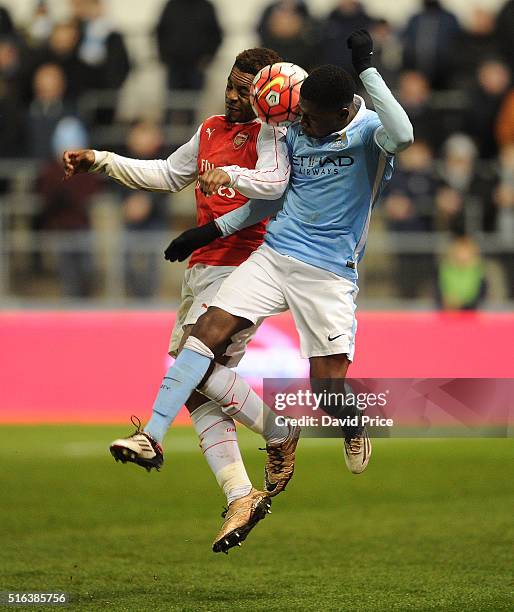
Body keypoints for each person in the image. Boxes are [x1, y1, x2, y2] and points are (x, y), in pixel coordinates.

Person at [110, 30, 414, 552]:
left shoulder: (369, 133)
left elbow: (405, 132)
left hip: (329, 273)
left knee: (328, 391)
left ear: (343, 111)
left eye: (314, 119)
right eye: (301, 117)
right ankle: (151, 435)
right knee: (205, 334)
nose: (305, 126)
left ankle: (351, 421)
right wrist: (212, 230)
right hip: (275, 255)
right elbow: (273, 197)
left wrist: (366, 66)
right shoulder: (292, 126)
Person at [63, 48, 293, 553]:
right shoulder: (211, 129)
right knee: (195, 388)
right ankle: (240, 493)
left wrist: (232, 179)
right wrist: (100, 159)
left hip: (243, 269)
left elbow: (274, 192)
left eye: (244, 89)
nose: (233, 96)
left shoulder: (274, 137)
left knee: (192, 365)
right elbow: (167, 175)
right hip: (201, 271)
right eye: (230, 85)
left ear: (264, 95)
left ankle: (273, 432)